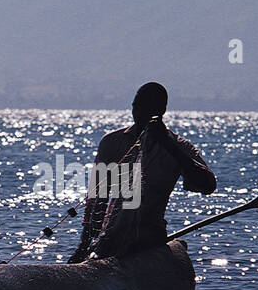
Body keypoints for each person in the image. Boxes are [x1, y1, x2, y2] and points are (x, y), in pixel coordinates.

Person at [68, 82, 216, 262]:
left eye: (146, 108)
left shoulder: (178, 146)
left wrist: (167, 145)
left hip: (150, 239)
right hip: (110, 239)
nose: (138, 114)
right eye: (135, 107)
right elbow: (98, 198)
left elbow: (208, 185)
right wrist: (83, 246)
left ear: (160, 111)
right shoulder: (112, 142)